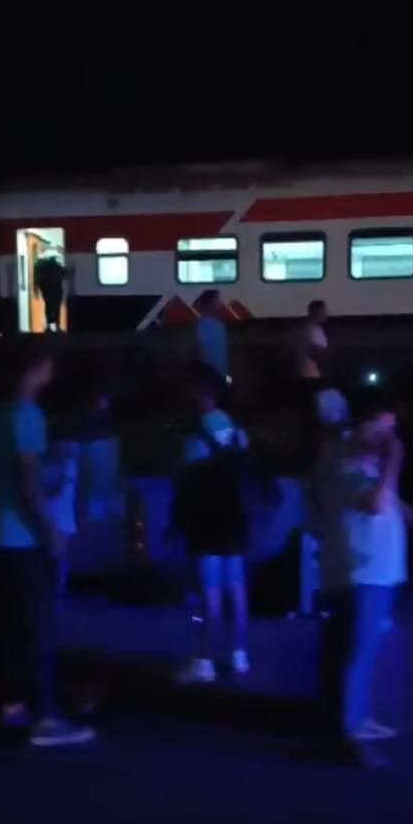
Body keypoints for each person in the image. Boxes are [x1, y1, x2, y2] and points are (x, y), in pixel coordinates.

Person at [317, 393, 413, 746]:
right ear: (361, 424)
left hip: (376, 568)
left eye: (391, 432)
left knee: (362, 646)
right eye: (381, 430)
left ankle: (354, 717)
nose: (388, 439)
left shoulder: (363, 459)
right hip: (360, 569)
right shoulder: (340, 458)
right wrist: (394, 460)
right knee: (356, 649)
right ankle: (349, 726)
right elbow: (377, 503)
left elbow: (391, 499)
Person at [0, 349, 95, 746]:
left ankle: (11, 708)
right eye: (46, 365)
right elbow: (28, 478)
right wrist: (51, 530)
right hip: (23, 537)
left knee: (6, 627)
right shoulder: (27, 415)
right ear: (32, 371)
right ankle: (45, 717)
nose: (51, 371)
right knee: (37, 629)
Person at [170, 363, 252, 684]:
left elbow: (186, 481)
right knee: (236, 588)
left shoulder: (196, 434)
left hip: (206, 520)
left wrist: (177, 522)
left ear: (198, 391)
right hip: (236, 516)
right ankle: (239, 654)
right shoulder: (237, 430)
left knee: (209, 592)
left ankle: (204, 660)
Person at [42, 438, 79, 597]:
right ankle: (56, 589)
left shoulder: (68, 465)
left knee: (58, 556)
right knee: (56, 555)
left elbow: (56, 490)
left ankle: (57, 590)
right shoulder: (61, 465)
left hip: (60, 516)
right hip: (56, 515)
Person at [195, 289, 228, 380]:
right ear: (210, 303)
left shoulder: (217, 324)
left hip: (218, 373)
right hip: (211, 375)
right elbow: (204, 353)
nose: (220, 303)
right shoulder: (205, 325)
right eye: (217, 300)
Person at [33, 248, 67, 333]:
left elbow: (38, 278)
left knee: (48, 307)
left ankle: (49, 326)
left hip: (46, 290)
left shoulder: (41, 266)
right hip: (57, 290)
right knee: (56, 307)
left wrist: (36, 289)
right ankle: (56, 326)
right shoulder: (57, 266)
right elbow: (65, 275)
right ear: (54, 258)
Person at [298, 300, 329, 380]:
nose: (326, 314)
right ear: (315, 312)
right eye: (323, 312)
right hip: (310, 374)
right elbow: (315, 353)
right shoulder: (311, 331)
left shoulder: (315, 329)